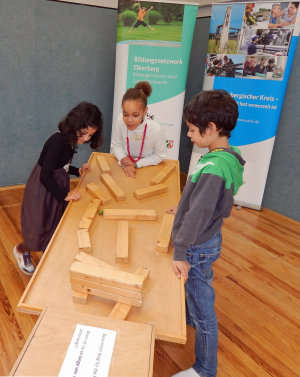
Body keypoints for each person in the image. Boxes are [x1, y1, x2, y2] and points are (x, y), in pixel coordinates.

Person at [168, 90, 245, 377]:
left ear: (210, 129)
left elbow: (199, 213)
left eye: (191, 129)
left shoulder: (213, 167)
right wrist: (182, 209)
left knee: (204, 310)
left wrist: (180, 250)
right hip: (208, 240)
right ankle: (190, 317)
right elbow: (202, 202)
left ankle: (205, 369)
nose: (188, 135)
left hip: (197, 246)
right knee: (198, 286)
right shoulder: (227, 156)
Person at [13, 102, 103, 275]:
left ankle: (51, 257)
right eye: (84, 134)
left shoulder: (70, 140)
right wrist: (64, 194)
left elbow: (63, 165)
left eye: (90, 136)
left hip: (56, 186)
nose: (85, 139)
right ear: (74, 125)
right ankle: (22, 249)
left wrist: (78, 170)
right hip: (44, 189)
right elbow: (45, 175)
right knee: (39, 226)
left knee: (54, 224)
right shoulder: (57, 142)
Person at [111, 81, 167, 178]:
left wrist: (136, 164)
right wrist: (124, 159)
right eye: (125, 114)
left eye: (135, 115)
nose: (129, 120)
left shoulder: (156, 129)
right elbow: (116, 145)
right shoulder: (120, 119)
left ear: (145, 111)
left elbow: (160, 155)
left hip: (148, 168)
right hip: (124, 166)